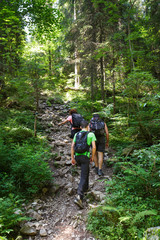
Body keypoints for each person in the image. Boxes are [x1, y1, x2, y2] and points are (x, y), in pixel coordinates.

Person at [71, 120, 96, 208]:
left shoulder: (76, 134)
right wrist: (92, 157)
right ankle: (79, 196)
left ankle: (85, 188)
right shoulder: (91, 134)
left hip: (77, 157)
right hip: (85, 157)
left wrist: (72, 158)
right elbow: (94, 147)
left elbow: (72, 146)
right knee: (83, 175)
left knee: (85, 172)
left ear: (81, 127)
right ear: (88, 126)